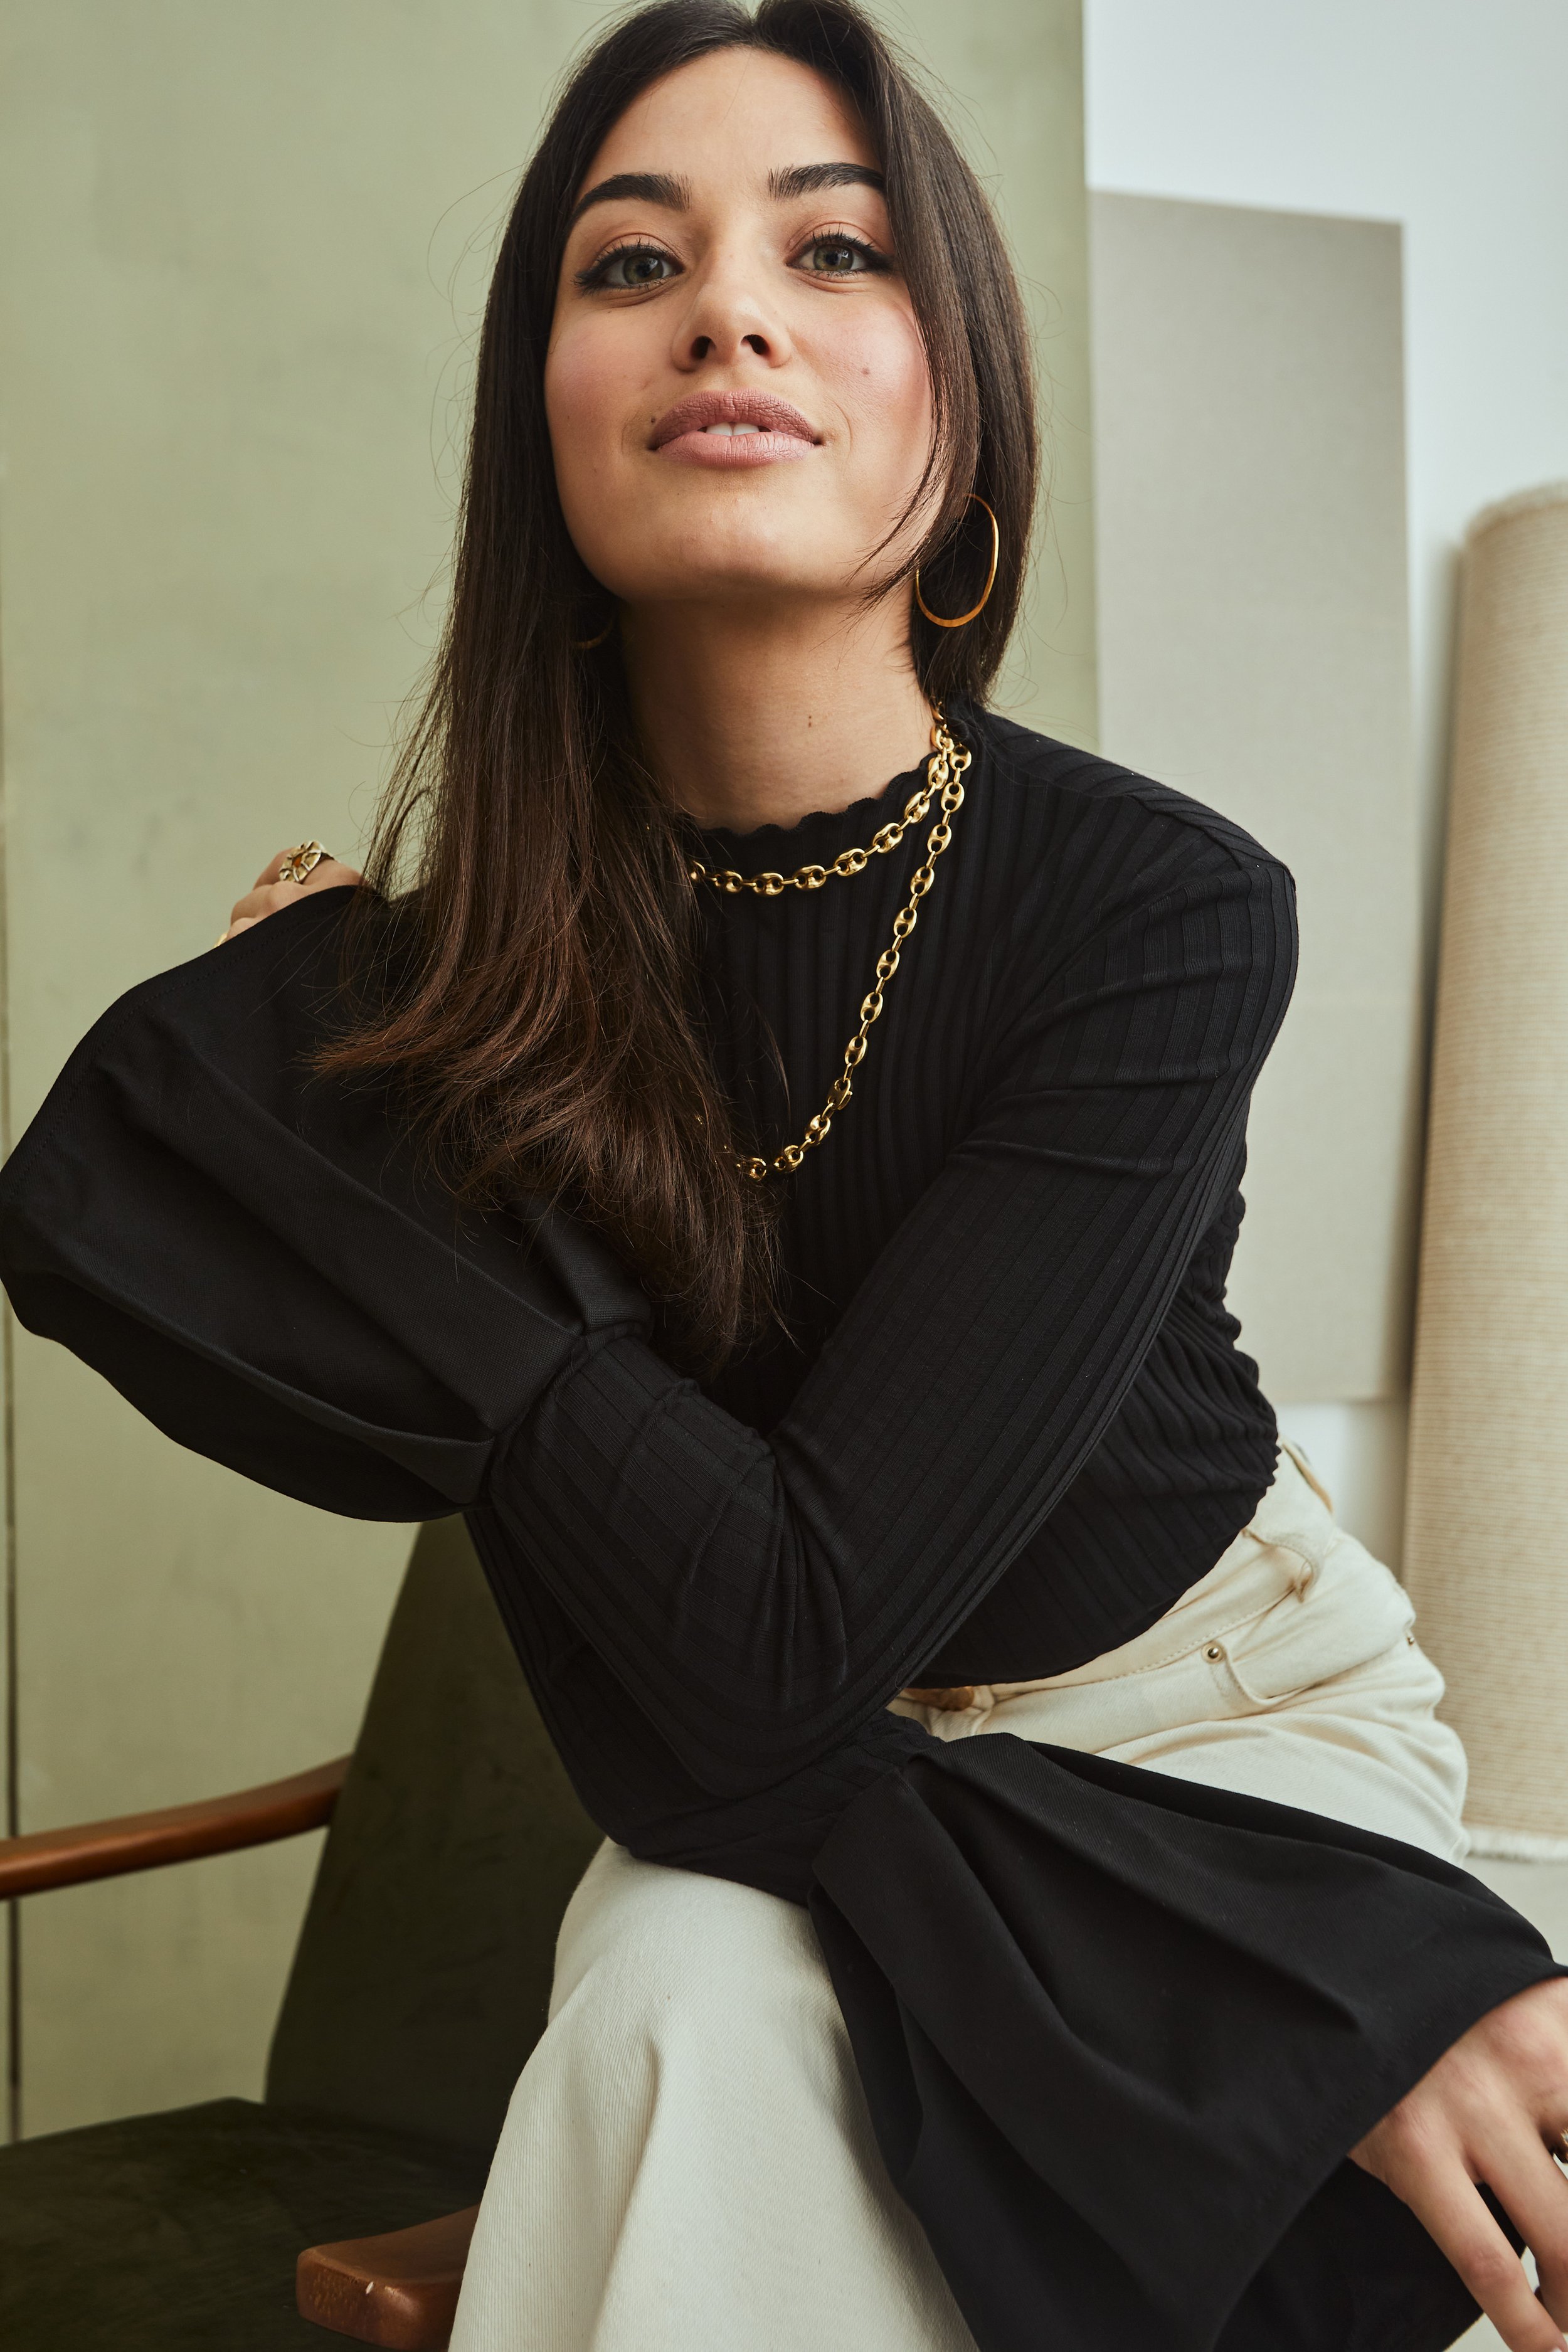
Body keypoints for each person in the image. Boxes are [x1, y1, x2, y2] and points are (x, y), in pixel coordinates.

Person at [5, 4, 1568, 2348]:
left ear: (963, 406)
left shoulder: (1155, 910)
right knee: (666, 2025)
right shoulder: (460, 983)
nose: (729, 306)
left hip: (1209, 1732)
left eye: (834, 253)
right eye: (629, 265)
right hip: (768, 1765)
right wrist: (1279, 2019)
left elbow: (759, 1637)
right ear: (538, 419)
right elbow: (711, 1701)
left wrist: (1309, 1956)